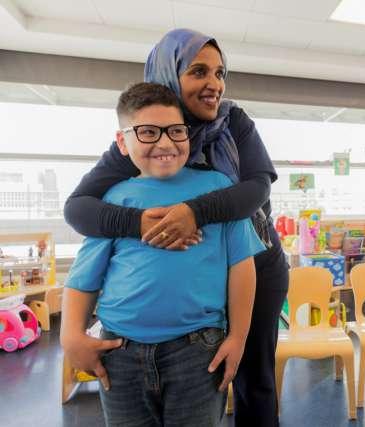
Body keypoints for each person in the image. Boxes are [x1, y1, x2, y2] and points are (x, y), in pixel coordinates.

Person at [64, 29, 289, 427]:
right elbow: (80, 210)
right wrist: (140, 224)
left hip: (253, 262)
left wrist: (192, 213)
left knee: (254, 376)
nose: (214, 84)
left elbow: (256, 189)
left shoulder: (232, 122)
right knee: (205, 374)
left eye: (220, 73)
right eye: (199, 71)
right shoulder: (145, 134)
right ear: (169, 73)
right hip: (179, 300)